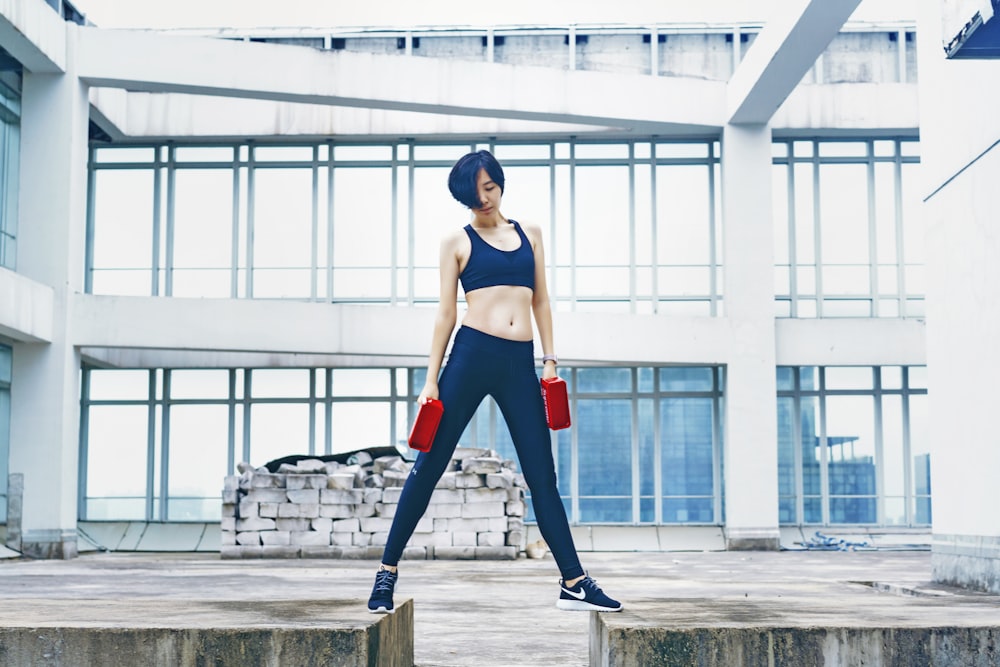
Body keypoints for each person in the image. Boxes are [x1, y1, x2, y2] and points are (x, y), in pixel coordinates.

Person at [367, 150, 622, 614]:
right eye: (472, 193)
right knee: (428, 466)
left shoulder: (531, 235)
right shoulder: (457, 242)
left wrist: (549, 360)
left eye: (489, 187)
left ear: (500, 184)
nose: (483, 199)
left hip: (518, 362)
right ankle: (386, 575)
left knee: (542, 476)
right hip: (470, 356)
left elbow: (541, 301)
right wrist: (431, 379)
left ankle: (574, 582)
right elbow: (446, 313)